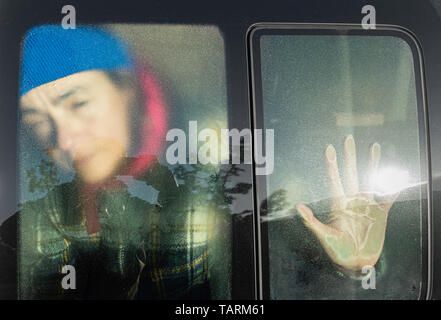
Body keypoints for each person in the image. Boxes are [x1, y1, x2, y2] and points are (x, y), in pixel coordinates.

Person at [0, 25, 229, 299]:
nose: (63, 139)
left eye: (79, 103)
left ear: (129, 89)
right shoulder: (42, 202)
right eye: (36, 120)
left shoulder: (216, 154)